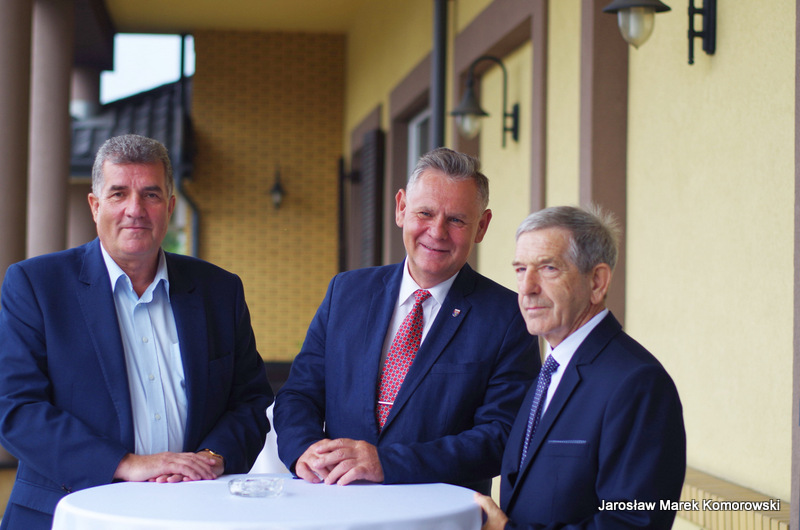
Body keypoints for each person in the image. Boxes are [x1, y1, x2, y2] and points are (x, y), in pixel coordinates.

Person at [0, 134, 273, 530]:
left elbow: (250, 400)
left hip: (193, 512)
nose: (135, 210)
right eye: (118, 194)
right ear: (95, 206)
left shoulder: (219, 290)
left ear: (170, 207)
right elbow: (15, 407)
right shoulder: (37, 285)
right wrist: (127, 464)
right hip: (70, 513)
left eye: (151, 194)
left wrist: (214, 457)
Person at [274, 147, 538, 494]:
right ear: (401, 208)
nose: (437, 232)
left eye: (456, 220)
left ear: (482, 226)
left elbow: (502, 435)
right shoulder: (346, 293)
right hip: (336, 503)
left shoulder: (508, 317)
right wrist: (304, 450)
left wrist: (387, 463)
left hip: (438, 514)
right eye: (425, 213)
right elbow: (299, 394)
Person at [475, 205, 686, 529]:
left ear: (597, 282)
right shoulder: (550, 369)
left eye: (548, 268)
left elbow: (633, 523)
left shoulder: (639, 384)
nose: (527, 287)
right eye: (520, 269)